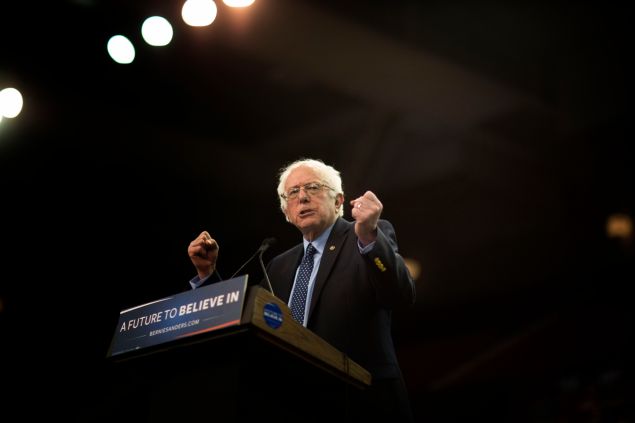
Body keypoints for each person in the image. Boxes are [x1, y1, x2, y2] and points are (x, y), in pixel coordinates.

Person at [187, 158, 416, 421]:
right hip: (296, 405)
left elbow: (401, 294)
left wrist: (368, 236)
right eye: (293, 193)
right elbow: (244, 324)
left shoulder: (366, 236)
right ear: (286, 211)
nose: (303, 197)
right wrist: (207, 275)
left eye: (313, 187)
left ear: (339, 201)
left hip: (361, 404)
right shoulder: (278, 265)